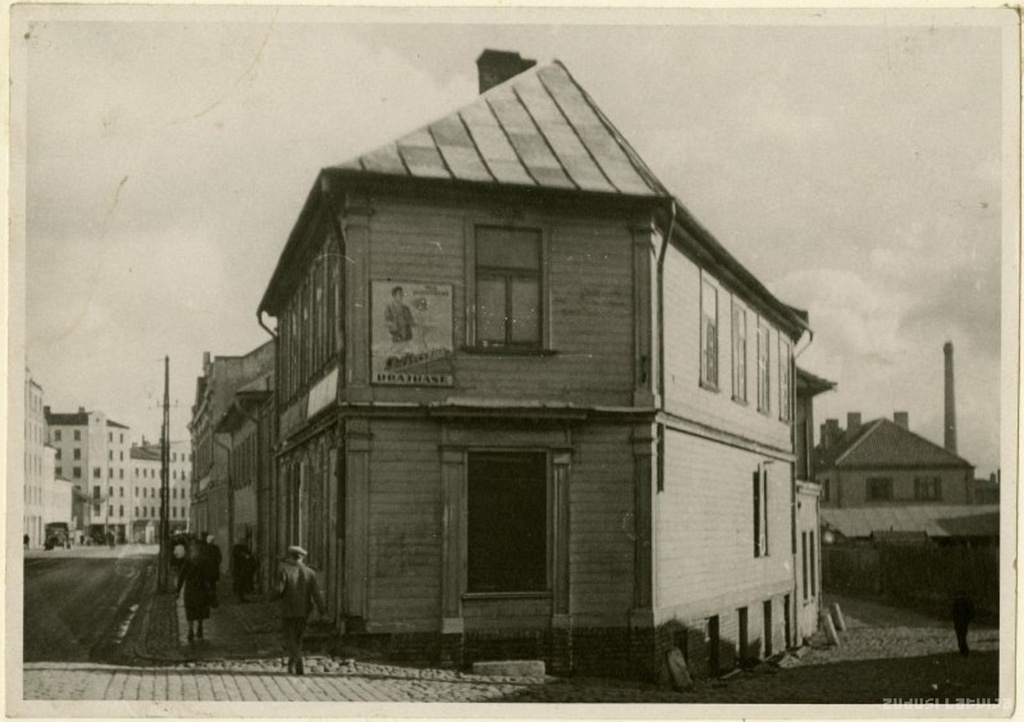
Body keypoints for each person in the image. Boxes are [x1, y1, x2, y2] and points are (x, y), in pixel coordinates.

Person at [276, 545, 326, 675]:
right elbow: (316, 594)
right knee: (298, 637)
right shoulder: (310, 573)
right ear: (302, 558)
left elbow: (279, 591)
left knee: (289, 637)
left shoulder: (285, 571)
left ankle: (298, 659)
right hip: (304, 610)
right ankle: (291, 666)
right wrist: (322, 610)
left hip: (288, 610)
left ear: (291, 557)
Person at [176, 536, 213, 641]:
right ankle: (191, 630)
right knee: (192, 609)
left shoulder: (197, 561)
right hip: (195, 588)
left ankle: (198, 628)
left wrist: (178, 590)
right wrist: (178, 590)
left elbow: (207, 575)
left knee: (196, 609)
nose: (194, 550)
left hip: (196, 588)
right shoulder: (194, 561)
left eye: (195, 548)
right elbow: (182, 576)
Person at [952, 592, 976, 657]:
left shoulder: (957, 602)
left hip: (959, 621)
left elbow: (953, 613)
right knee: (962, 635)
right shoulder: (966, 601)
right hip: (963, 621)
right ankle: (964, 650)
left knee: (960, 635)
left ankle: (963, 650)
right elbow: (972, 612)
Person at [204, 533, 222, 608]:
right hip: (214, 570)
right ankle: (213, 601)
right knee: (213, 586)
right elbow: (219, 558)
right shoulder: (216, 548)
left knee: (206, 586)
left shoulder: (204, 548)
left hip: (206, 570)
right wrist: (216, 563)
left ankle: (208, 600)